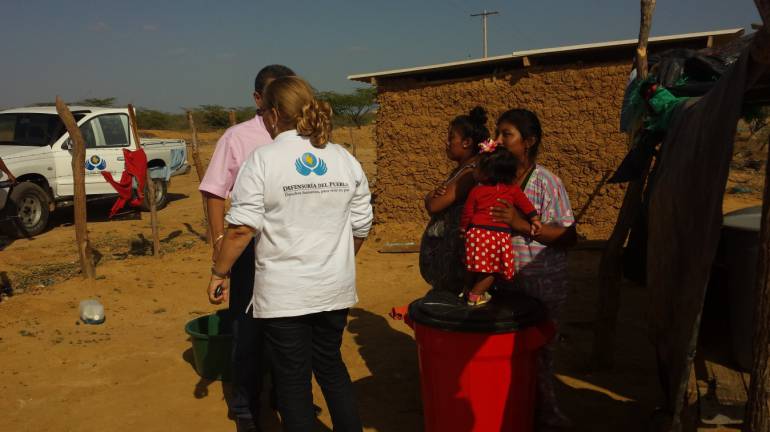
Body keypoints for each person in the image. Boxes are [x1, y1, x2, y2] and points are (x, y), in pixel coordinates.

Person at [207, 76, 372, 432]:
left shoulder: (264, 160)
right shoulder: (343, 158)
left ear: (274, 113)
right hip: (334, 288)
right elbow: (361, 224)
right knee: (330, 365)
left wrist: (220, 272)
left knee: (293, 380)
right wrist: (336, 260)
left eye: (264, 111)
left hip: (287, 294)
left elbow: (240, 229)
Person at [199, 64, 295, 432]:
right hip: (249, 248)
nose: (279, 104)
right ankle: (244, 408)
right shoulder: (238, 138)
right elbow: (214, 190)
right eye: (273, 95)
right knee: (247, 327)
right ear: (258, 99)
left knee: (288, 327)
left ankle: (286, 399)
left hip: (289, 248)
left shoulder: (304, 137)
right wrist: (219, 239)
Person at [489, 108, 577, 428]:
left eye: (506, 134)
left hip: (542, 285)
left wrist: (521, 225)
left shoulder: (546, 182)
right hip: (505, 282)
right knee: (506, 354)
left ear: (529, 142)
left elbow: (569, 236)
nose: (497, 140)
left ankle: (546, 417)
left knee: (538, 355)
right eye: (496, 133)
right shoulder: (494, 179)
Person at [459, 141, 541, 306]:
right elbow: (525, 205)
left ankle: (468, 289)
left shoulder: (476, 190)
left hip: (476, 233)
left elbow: (468, 212)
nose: (474, 169)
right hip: (497, 235)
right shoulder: (512, 189)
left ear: (488, 172)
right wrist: (534, 219)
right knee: (491, 270)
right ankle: (476, 296)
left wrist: (463, 229)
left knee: (473, 265)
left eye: (478, 167)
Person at [419, 106, 490, 294]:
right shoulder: (460, 170)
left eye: (451, 137)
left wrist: (429, 197)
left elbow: (435, 204)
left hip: (456, 260)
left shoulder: (469, 173)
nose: (447, 142)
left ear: (467, 142)